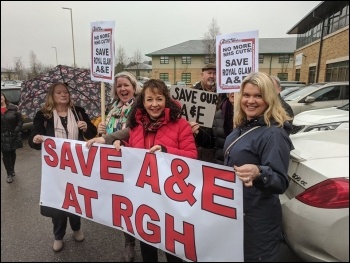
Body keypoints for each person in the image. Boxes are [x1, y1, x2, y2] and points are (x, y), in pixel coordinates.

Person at [86, 79, 197, 262]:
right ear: (143, 102)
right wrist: (120, 144)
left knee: (174, 250)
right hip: (145, 201)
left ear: (166, 100)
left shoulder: (181, 125)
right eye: (149, 100)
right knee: (148, 247)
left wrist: (167, 152)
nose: (154, 105)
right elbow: (132, 151)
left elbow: (192, 156)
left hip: (171, 200)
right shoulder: (136, 127)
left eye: (159, 99)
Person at [223, 72, 293, 262]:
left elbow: (280, 182)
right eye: (246, 95)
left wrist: (259, 172)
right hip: (238, 212)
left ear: (269, 98)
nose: (250, 101)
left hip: (258, 221)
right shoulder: (243, 125)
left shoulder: (274, 134)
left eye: (258, 95)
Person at [28, 82, 97, 252]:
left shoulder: (78, 111)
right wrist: (36, 138)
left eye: (66, 92)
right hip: (56, 169)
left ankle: (76, 227)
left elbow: (92, 134)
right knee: (58, 202)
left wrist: (86, 127)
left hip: (76, 166)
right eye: (59, 92)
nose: (63, 95)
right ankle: (58, 235)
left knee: (75, 198)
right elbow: (34, 137)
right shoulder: (43, 115)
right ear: (52, 95)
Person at [96, 71, 141, 262]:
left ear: (133, 87)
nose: (122, 89)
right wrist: (100, 128)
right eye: (119, 86)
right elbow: (104, 133)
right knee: (122, 202)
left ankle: (148, 236)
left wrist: (109, 137)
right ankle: (129, 241)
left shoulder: (140, 107)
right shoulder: (112, 108)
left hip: (133, 160)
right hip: (114, 161)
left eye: (126, 85)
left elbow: (132, 130)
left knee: (138, 201)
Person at [190, 63, 222, 163]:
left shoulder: (222, 93)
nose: (212, 76)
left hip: (216, 138)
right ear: (202, 74)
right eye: (209, 73)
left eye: (215, 73)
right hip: (197, 139)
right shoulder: (192, 93)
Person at [1, 92, 23, 183]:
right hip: (2, 136)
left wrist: (16, 131)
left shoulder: (13, 108)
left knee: (12, 153)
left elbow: (20, 121)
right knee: (5, 155)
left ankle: (12, 169)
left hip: (13, 135)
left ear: (4, 97)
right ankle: (9, 173)